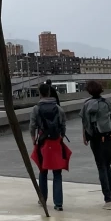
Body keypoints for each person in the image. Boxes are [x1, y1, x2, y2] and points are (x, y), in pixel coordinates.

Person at [30, 81, 71, 212]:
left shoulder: (36, 109)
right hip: (56, 142)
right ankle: (58, 203)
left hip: (43, 142)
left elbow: (32, 126)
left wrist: (34, 139)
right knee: (57, 173)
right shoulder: (58, 109)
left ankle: (43, 199)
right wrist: (61, 136)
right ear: (49, 92)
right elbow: (63, 125)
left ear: (40, 94)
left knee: (43, 171)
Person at [81, 80, 111, 208]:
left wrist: (85, 137)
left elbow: (84, 123)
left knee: (101, 167)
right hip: (110, 138)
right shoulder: (107, 103)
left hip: (96, 139)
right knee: (107, 165)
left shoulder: (86, 104)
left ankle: (107, 199)